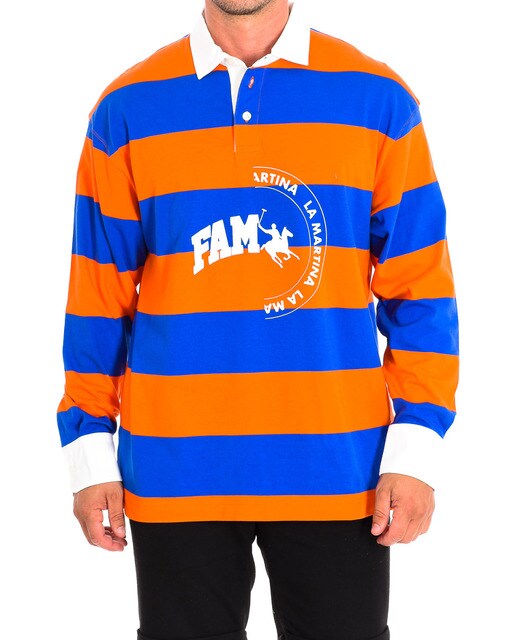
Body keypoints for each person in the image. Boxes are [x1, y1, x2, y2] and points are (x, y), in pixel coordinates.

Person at [56, 1, 459, 638]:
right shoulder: (126, 109)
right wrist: (89, 453)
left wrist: (416, 449)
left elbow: (421, 292)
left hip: (340, 469)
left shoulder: (377, 100)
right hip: (176, 471)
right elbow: (96, 298)